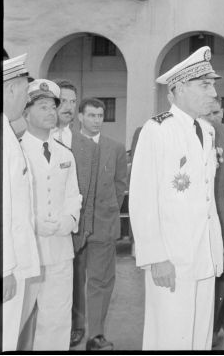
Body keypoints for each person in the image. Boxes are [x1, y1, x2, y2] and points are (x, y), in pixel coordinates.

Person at [129, 46, 224, 350]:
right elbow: (143, 199)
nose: (213, 93)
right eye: (205, 85)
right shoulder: (157, 130)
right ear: (180, 88)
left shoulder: (207, 131)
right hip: (172, 256)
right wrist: (156, 256)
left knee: (199, 337)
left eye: (213, 85)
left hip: (204, 254)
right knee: (170, 337)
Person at [20, 79, 82, 351]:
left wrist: (68, 221)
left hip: (59, 248)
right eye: (42, 106)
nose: (50, 112)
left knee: (57, 319)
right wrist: (33, 222)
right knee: (16, 319)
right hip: (26, 248)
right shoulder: (17, 151)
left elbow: (73, 195)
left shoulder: (64, 153)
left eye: (52, 107)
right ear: (25, 113)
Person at [75, 97, 128, 350]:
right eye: (91, 115)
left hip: (103, 227)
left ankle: (95, 335)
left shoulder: (115, 148)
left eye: (100, 116)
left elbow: (120, 185)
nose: (97, 120)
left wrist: (108, 211)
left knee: (101, 281)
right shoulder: (68, 144)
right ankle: (73, 328)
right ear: (80, 117)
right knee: (71, 281)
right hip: (73, 228)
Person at [52, 80, 100, 349]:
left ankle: (77, 326)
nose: (69, 107)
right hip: (46, 227)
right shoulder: (36, 138)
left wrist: (85, 227)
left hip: (75, 228)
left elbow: (89, 191)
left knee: (76, 278)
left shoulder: (85, 145)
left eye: (73, 101)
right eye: (64, 101)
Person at [2, 54, 41, 352]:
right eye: (26, 94)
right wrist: (4, 269)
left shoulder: (6, 131)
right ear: (12, 88)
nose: (26, 102)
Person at [200, 96, 224, 347]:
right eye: (208, 113)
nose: (212, 118)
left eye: (216, 113)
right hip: (201, 222)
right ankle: (210, 326)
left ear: (223, 113)